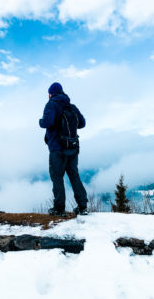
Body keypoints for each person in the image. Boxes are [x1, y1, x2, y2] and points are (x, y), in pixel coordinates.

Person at [39, 82, 88, 216]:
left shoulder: (51, 104)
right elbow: (82, 123)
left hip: (57, 148)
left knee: (57, 177)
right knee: (74, 176)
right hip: (72, 147)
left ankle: (59, 209)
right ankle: (83, 206)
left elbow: (47, 122)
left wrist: (40, 121)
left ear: (50, 94)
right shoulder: (72, 107)